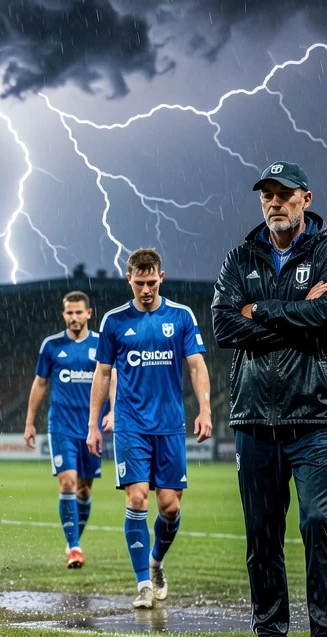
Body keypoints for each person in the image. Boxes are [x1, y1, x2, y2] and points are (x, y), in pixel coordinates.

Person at [210, 161, 327, 637]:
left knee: (319, 525)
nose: (274, 202)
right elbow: (225, 324)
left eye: (284, 194)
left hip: (315, 414)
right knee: (261, 535)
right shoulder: (240, 256)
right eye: (266, 195)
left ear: (305, 199)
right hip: (255, 417)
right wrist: (293, 313)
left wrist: (260, 311)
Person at [87, 249, 211, 609]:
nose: (145, 289)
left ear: (161, 277)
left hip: (170, 425)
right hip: (130, 424)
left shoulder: (181, 316)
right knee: (137, 498)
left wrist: (204, 409)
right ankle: (143, 582)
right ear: (129, 279)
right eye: (139, 283)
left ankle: (155, 561)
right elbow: (103, 374)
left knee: (169, 507)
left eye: (151, 282)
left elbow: (197, 366)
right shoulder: (114, 321)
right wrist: (95, 424)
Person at [25, 291, 110, 569]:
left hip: (91, 429)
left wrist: (113, 411)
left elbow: (112, 378)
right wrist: (29, 421)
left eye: (79, 312)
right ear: (64, 315)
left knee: (85, 491)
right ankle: (74, 547)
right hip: (61, 426)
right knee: (68, 483)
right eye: (69, 313)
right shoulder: (52, 346)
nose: (74, 317)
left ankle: (74, 539)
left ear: (89, 314)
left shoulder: (101, 344)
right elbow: (39, 384)